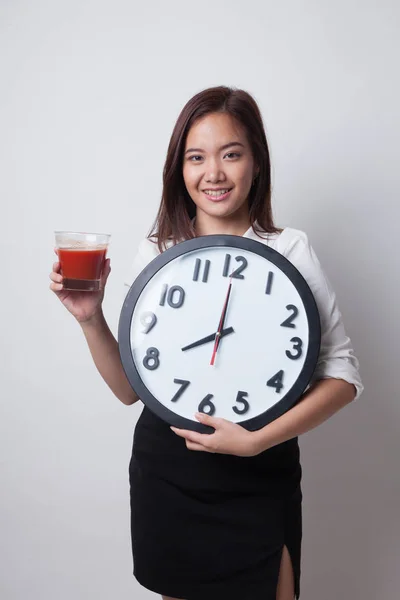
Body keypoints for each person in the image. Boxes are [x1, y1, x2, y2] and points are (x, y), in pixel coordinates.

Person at [49, 86, 364, 600]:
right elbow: (131, 390)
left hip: (260, 473)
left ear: (256, 163)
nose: (213, 173)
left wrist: (257, 440)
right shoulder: (159, 251)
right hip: (170, 477)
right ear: (180, 169)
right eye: (196, 157)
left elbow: (344, 375)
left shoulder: (288, 249)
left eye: (231, 154)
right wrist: (91, 320)